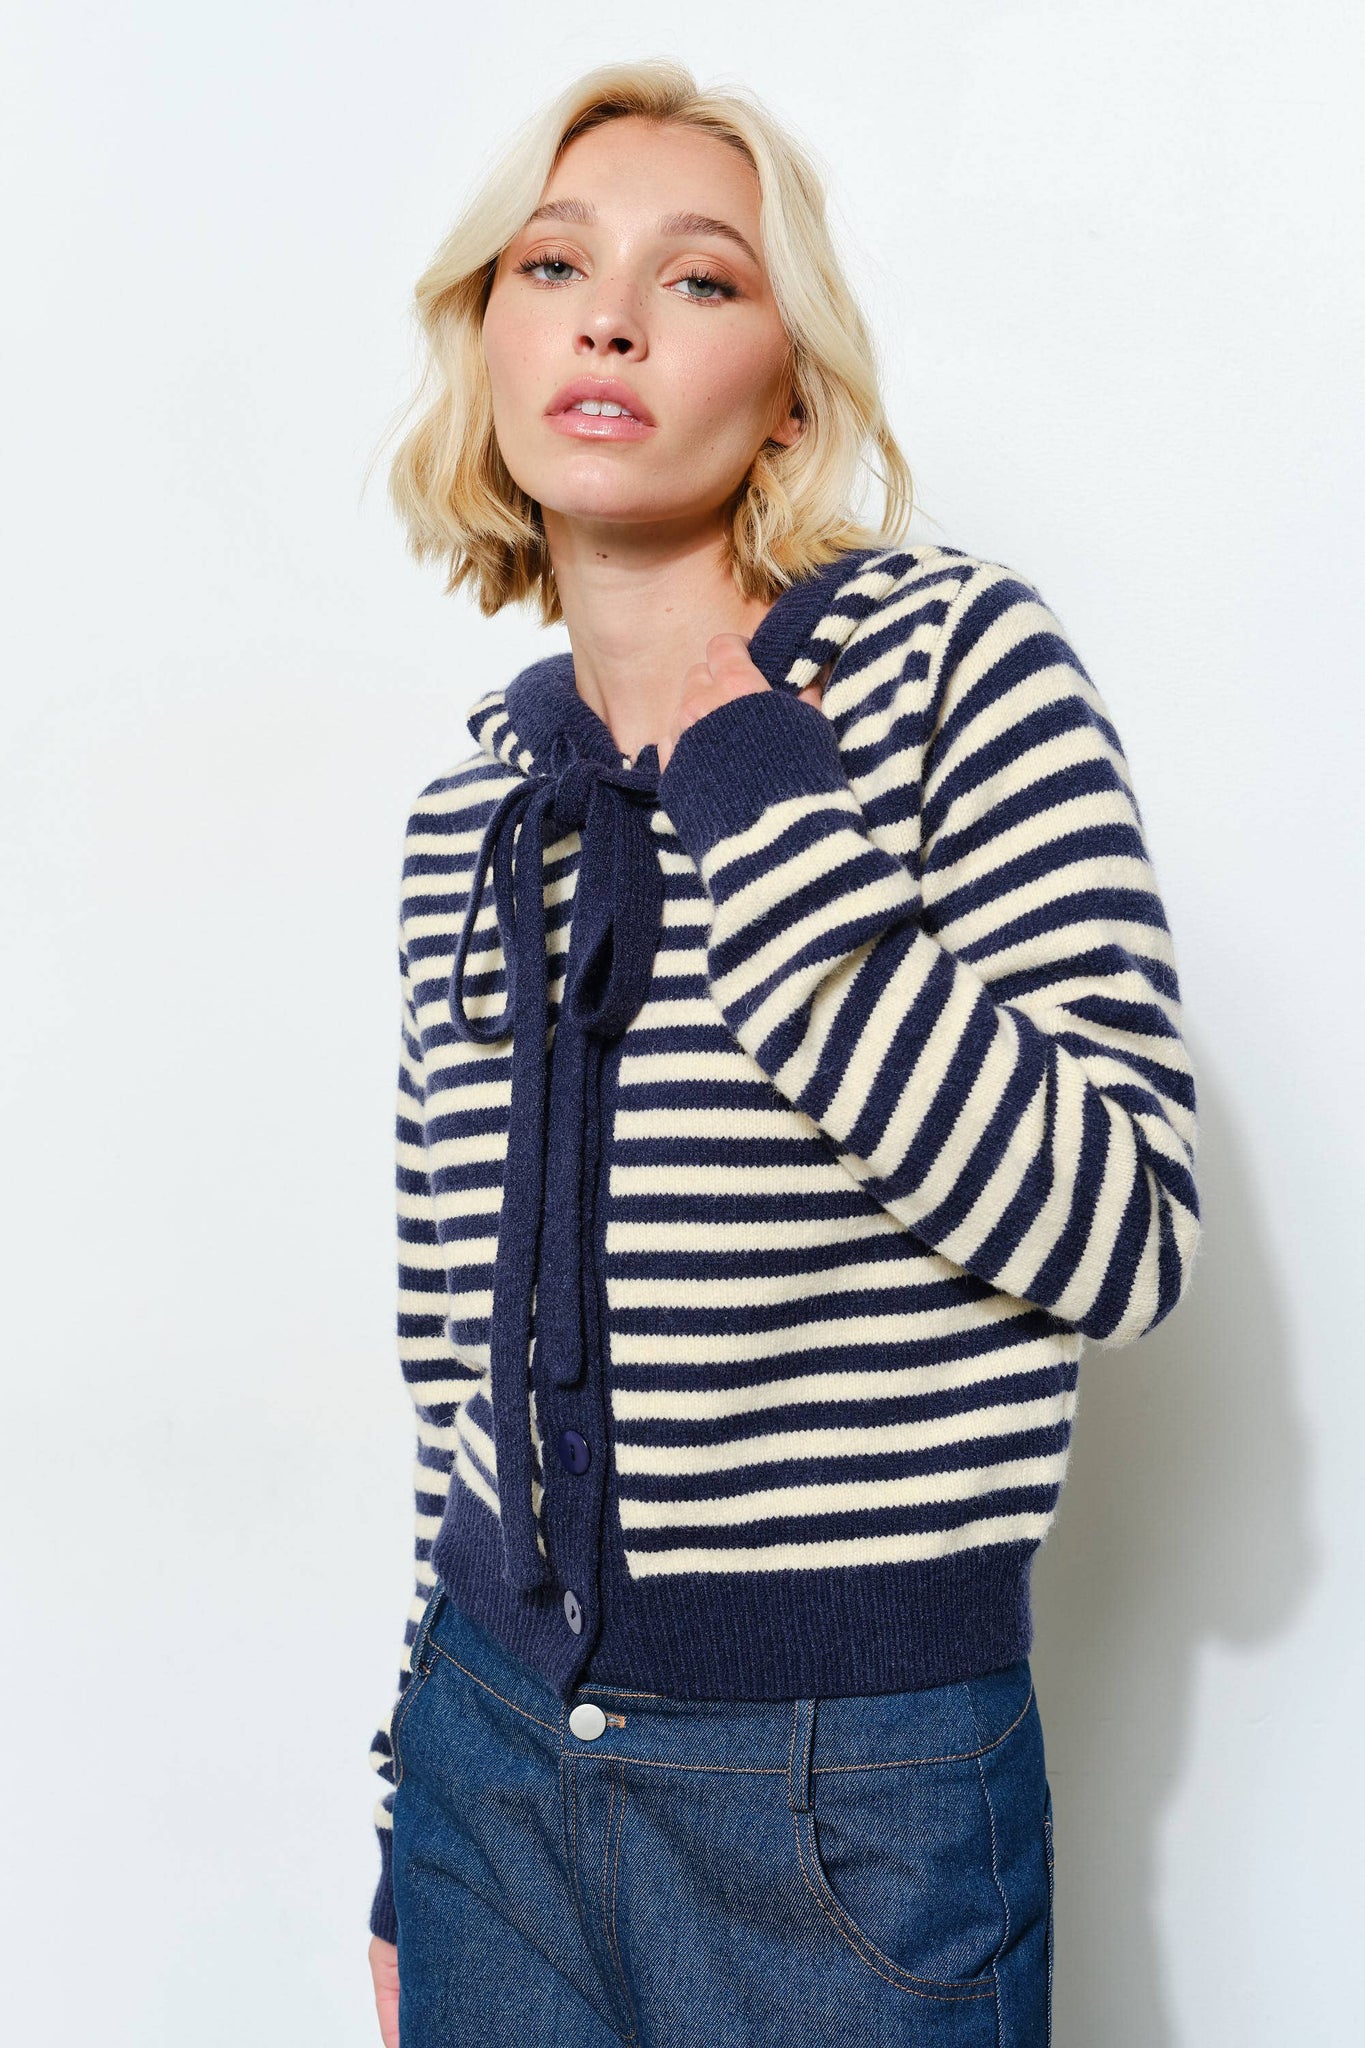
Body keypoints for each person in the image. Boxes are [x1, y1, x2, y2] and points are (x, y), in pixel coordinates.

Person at [362, 56, 1202, 2048]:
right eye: (552, 264)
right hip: (490, 1775)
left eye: (698, 277)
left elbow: (1124, 1237)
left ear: (793, 393)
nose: (610, 317)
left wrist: (750, 781)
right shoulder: (470, 811)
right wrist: (407, 1798)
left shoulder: (956, 675)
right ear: (489, 338)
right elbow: (448, 1369)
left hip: (849, 1796)